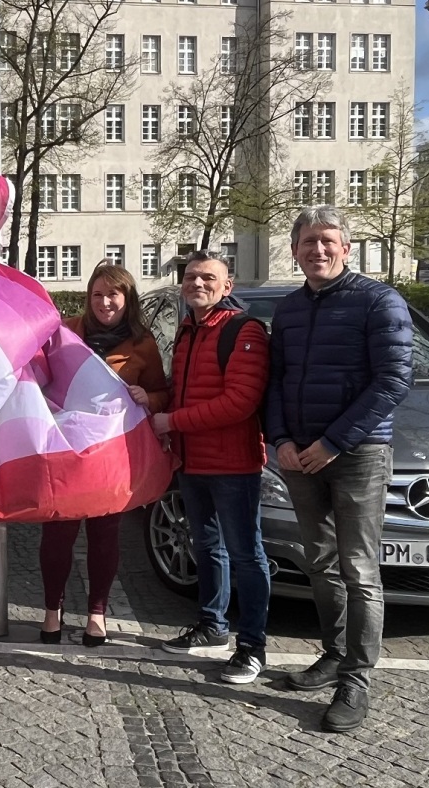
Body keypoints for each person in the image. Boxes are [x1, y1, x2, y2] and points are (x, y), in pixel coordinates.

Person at [267, 206, 412, 732]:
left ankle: (357, 678)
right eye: (308, 242)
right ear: (295, 249)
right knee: (321, 563)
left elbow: (394, 379)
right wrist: (280, 438)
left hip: (357, 454)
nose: (318, 250)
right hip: (300, 456)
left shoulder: (379, 301)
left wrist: (333, 442)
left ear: (346, 248)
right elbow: (277, 380)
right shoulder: (288, 309)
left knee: (359, 569)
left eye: (328, 241)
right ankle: (332, 655)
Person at [150, 251, 272, 685]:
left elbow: (240, 403)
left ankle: (253, 648)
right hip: (193, 462)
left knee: (246, 554)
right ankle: (212, 626)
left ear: (227, 287)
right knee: (205, 548)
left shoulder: (244, 330)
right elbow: (178, 390)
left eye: (207, 278)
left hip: (233, 464)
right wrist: (155, 402)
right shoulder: (187, 330)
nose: (196, 284)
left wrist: (171, 420)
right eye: (190, 277)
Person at [39, 261, 168, 647]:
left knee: (104, 534)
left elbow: (162, 392)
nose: (105, 302)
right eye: (98, 294)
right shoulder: (66, 331)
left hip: (112, 453)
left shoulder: (142, 342)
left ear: (126, 299)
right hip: (66, 448)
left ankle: (97, 613)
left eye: (113, 294)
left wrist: (150, 397)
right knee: (57, 530)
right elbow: (42, 372)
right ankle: (52, 611)